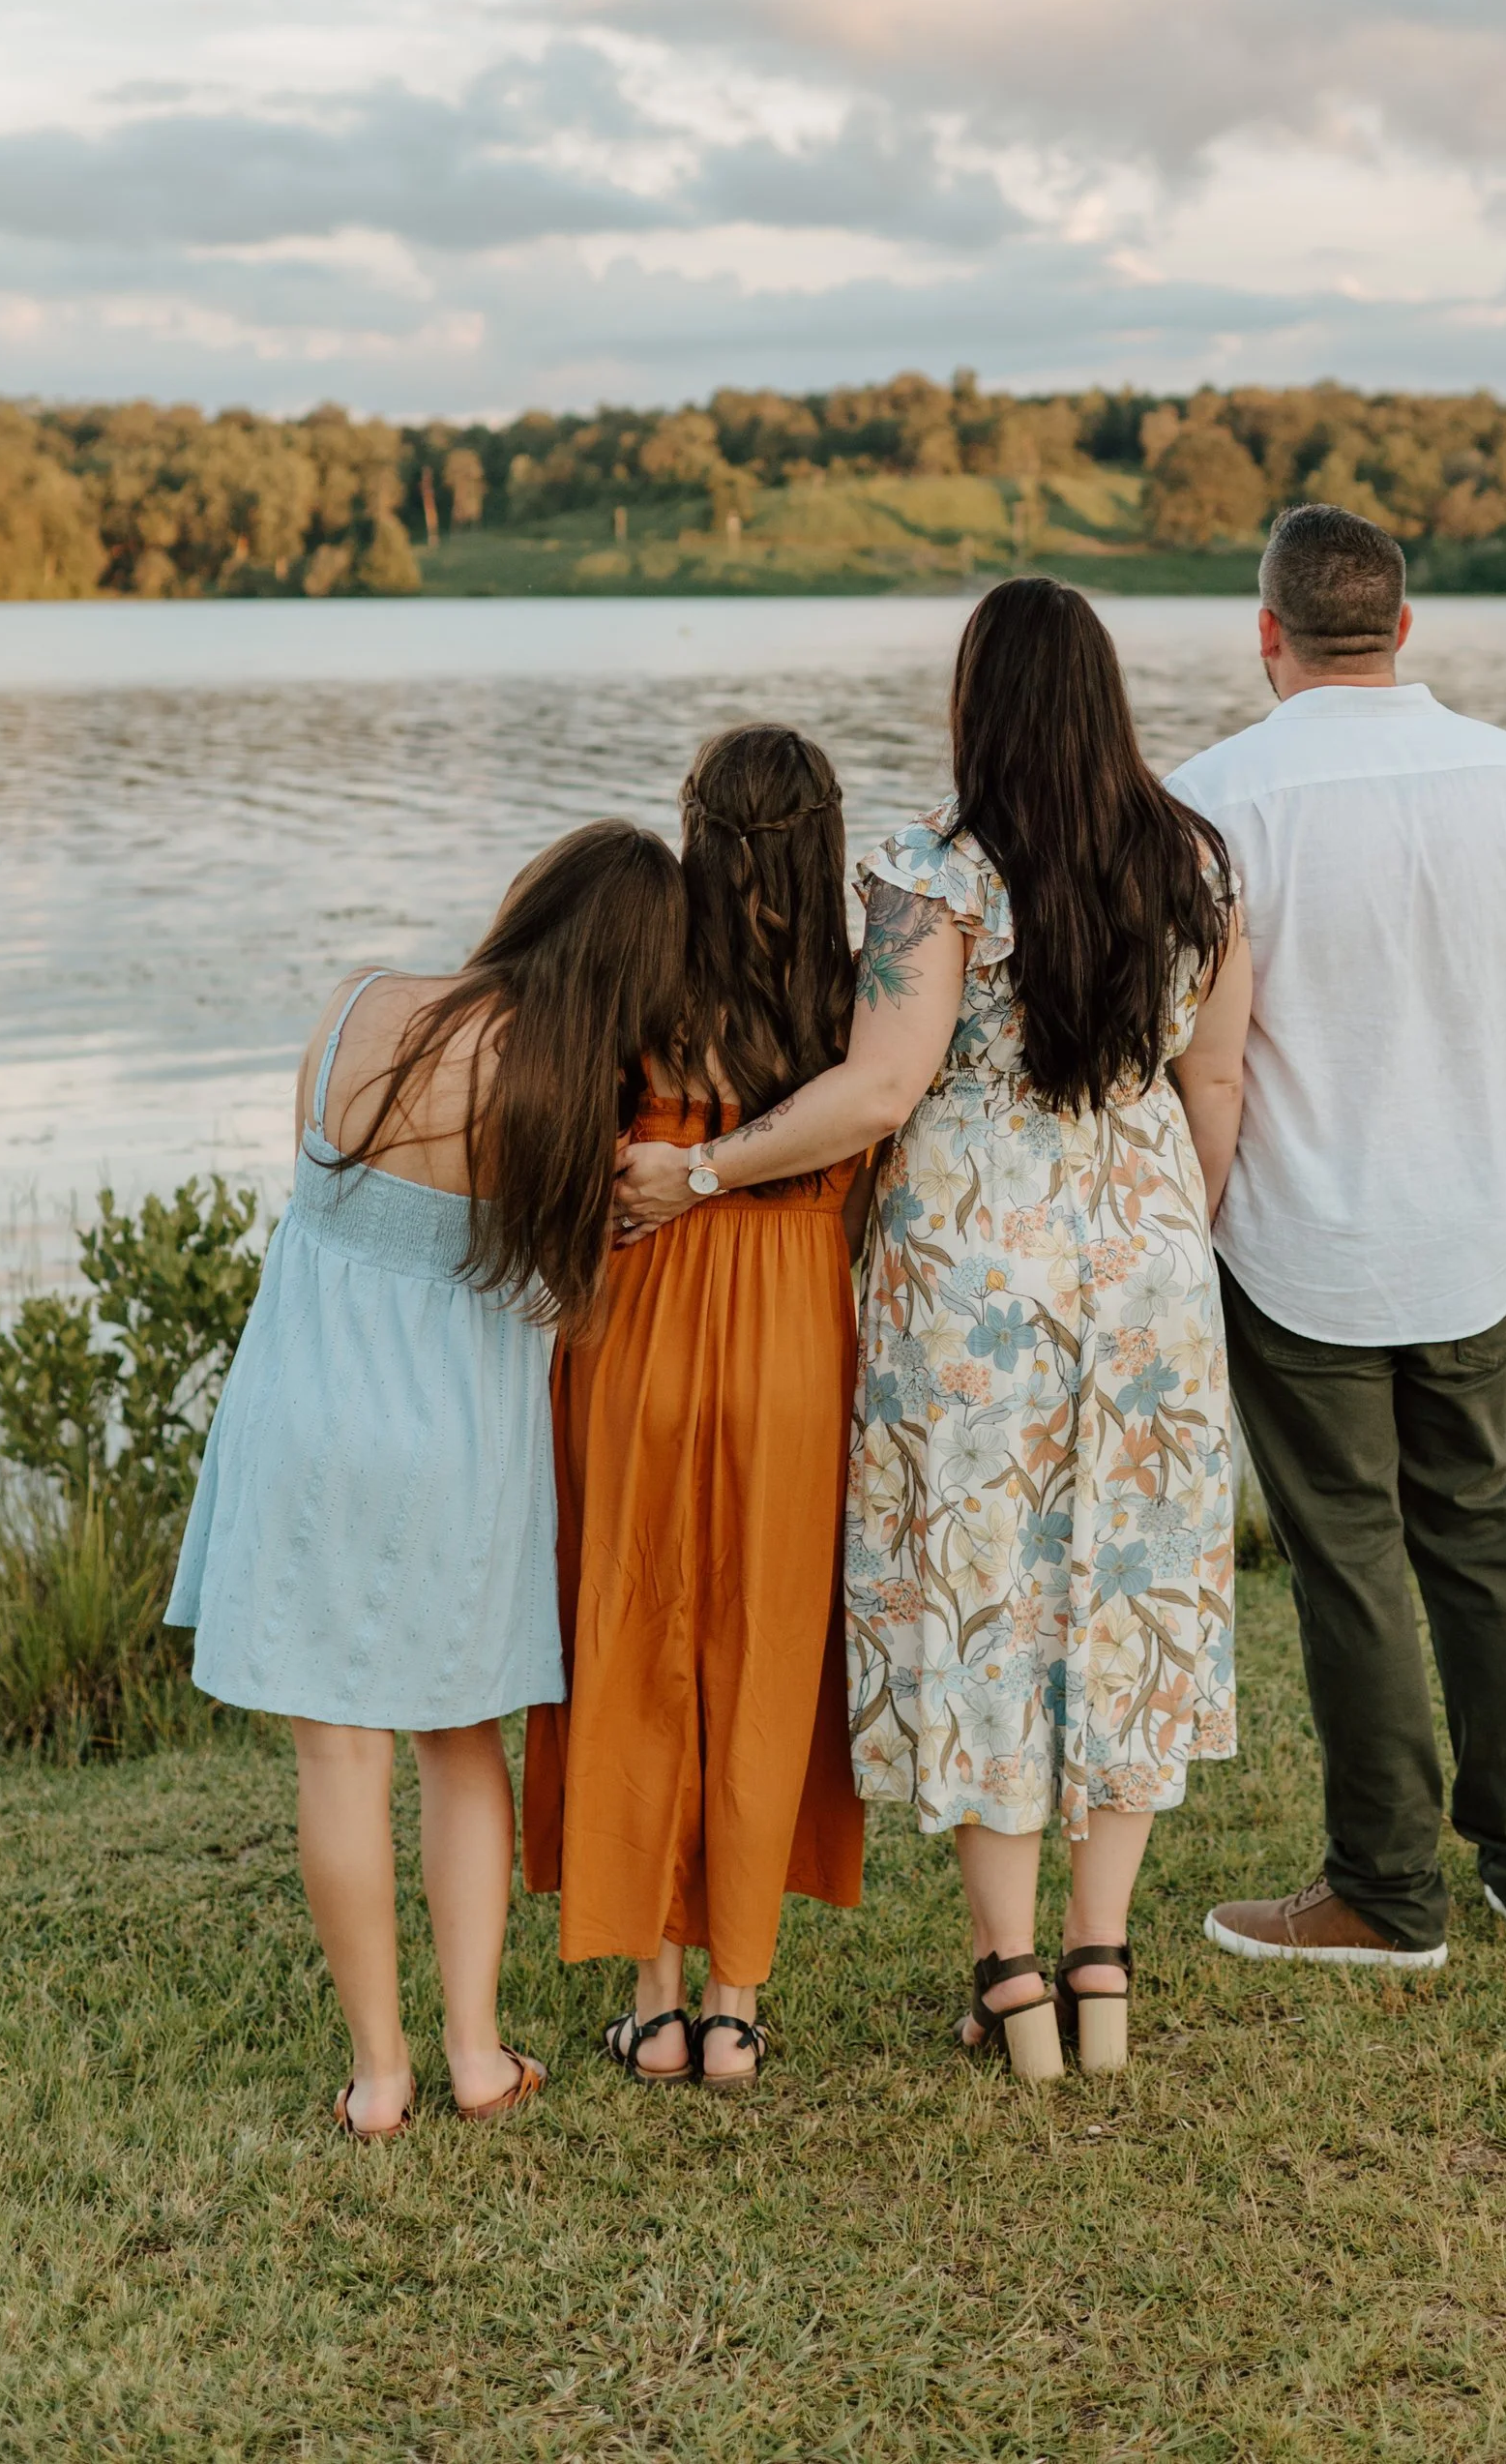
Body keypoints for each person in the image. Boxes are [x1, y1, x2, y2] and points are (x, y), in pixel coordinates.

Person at [614, 576, 1251, 2080]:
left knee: (988, 1596)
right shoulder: (1203, 866)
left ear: (984, 705)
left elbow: (880, 1090)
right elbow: (1213, 1085)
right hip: (1149, 1256)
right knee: (1127, 1598)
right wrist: (1168, 1240)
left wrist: (704, 1169)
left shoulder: (930, 873)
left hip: (973, 1282)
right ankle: (1102, 1964)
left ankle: (1014, 1978)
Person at [166, 821, 683, 2139]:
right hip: (453, 1443)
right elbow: (571, 1314)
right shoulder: (569, 1106)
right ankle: (473, 2052)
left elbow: (319, 1207)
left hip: (304, 1415)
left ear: (527, 904)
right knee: (461, 1740)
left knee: (338, 1757)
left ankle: (380, 2075)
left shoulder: (353, 1006)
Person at [1164, 503, 1506, 1973]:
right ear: (1405, 626)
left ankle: (1384, 1889)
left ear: (1268, 631)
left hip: (1297, 1242)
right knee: (1483, 1543)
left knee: (1350, 1560)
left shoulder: (1216, 801)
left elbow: (1184, 1047)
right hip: (1472, 1231)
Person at [522, 725, 869, 2091]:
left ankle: (653, 1999)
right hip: (793, 1343)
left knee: (634, 1625)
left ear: (699, 837)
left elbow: (561, 1130)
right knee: (764, 1642)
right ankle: (734, 2003)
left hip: (640, 1334)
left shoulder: (651, 979)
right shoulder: (853, 1004)